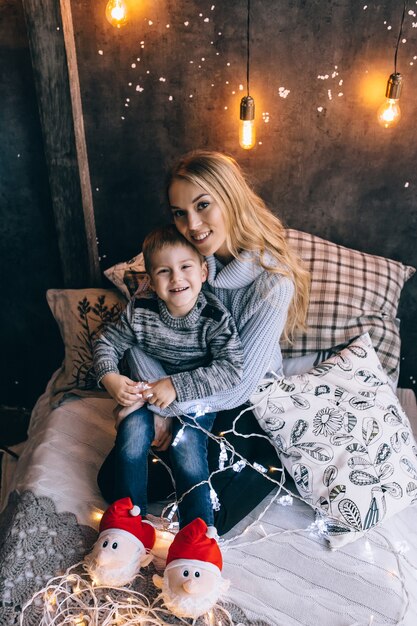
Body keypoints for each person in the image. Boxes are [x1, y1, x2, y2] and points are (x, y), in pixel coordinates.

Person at [114, 150, 311, 535]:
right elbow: (140, 342)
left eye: (203, 205)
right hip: (181, 395)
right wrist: (151, 398)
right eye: (179, 212)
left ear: (231, 199)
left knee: (208, 515)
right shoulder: (181, 267)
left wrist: (167, 406)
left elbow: (240, 384)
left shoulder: (273, 282)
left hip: (242, 406)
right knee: (114, 482)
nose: (193, 224)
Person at [94, 225, 243, 529]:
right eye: (164, 271)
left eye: (185, 267)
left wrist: (175, 386)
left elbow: (232, 369)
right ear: (150, 280)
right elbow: (105, 342)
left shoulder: (214, 318)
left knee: (187, 450)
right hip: (145, 396)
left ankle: (198, 531)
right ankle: (130, 523)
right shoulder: (141, 310)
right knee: (131, 438)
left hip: (193, 401)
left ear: (203, 272)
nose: (176, 278)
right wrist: (110, 377)